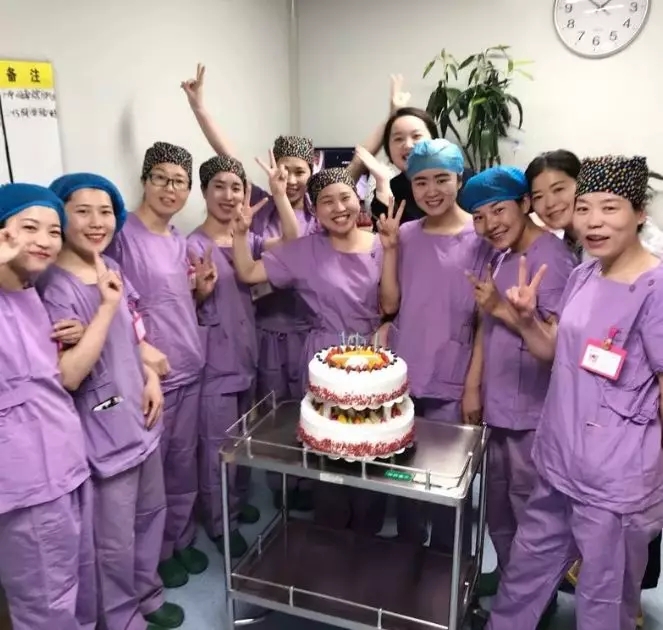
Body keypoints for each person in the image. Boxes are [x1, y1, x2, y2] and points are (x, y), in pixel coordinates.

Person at [486, 155, 663, 630]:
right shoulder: (585, 274)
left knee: (604, 600)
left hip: (614, 482)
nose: (594, 222)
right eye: (584, 209)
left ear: (639, 212)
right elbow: (555, 351)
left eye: (610, 208)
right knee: (523, 576)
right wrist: (527, 321)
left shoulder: (656, 287)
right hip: (558, 460)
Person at [39, 173, 184, 630]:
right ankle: (121, 618)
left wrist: (150, 377)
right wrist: (102, 310)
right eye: (82, 211)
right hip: (102, 432)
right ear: (60, 216)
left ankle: (148, 593)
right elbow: (69, 374)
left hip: (140, 416)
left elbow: (132, 335)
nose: (96, 222)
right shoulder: (53, 287)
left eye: (105, 211)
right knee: (114, 540)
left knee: (150, 515)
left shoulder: (110, 268)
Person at [232, 167, 394, 533]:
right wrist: (240, 234)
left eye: (345, 197)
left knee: (370, 445)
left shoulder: (381, 245)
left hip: (373, 357)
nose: (338, 208)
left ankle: (368, 530)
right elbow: (249, 273)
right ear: (315, 210)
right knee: (328, 449)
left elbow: (393, 302)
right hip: (324, 358)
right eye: (326, 201)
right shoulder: (304, 251)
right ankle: (331, 529)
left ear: (359, 200)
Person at [460, 167, 575, 612]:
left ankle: (535, 604)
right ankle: (511, 580)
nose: (490, 224)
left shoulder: (552, 259)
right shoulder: (503, 256)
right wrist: (473, 387)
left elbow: (555, 345)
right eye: (478, 216)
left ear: (525, 204)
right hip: (499, 407)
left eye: (499, 210)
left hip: (532, 412)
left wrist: (501, 309)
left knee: (532, 515)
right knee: (499, 506)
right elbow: (485, 328)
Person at [376, 138, 491, 551]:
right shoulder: (404, 234)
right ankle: (409, 549)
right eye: (421, 181)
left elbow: (486, 321)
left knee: (446, 478)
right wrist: (390, 250)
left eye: (442, 178)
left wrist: (473, 385)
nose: (431, 190)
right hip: (406, 371)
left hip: (454, 376)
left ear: (460, 179)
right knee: (402, 470)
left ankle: (446, 559)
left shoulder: (481, 237)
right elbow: (389, 305)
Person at [106, 142, 212, 589]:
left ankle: (180, 538)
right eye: (161, 178)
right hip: (148, 377)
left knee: (184, 465)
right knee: (152, 478)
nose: (170, 189)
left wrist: (200, 291)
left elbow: (173, 301)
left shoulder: (178, 241)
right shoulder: (120, 236)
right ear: (144, 181)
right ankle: (155, 558)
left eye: (180, 182)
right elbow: (112, 305)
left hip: (188, 363)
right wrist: (140, 351)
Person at [188, 152, 300, 558]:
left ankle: (233, 502)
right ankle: (222, 523)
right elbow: (183, 307)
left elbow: (292, 242)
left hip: (245, 356)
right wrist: (199, 293)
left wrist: (279, 195)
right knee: (217, 447)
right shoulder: (191, 245)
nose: (228, 195)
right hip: (214, 362)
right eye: (218, 186)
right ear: (204, 192)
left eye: (236, 187)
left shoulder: (247, 241)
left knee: (240, 439)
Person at [0, 183, 94, 630]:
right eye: (29, 227)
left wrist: (75, 335)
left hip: (64, 461)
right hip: (26, 480)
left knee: (75, 583)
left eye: (54, 231)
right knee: (46, 602)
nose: (44, 240)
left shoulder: (31, 292)